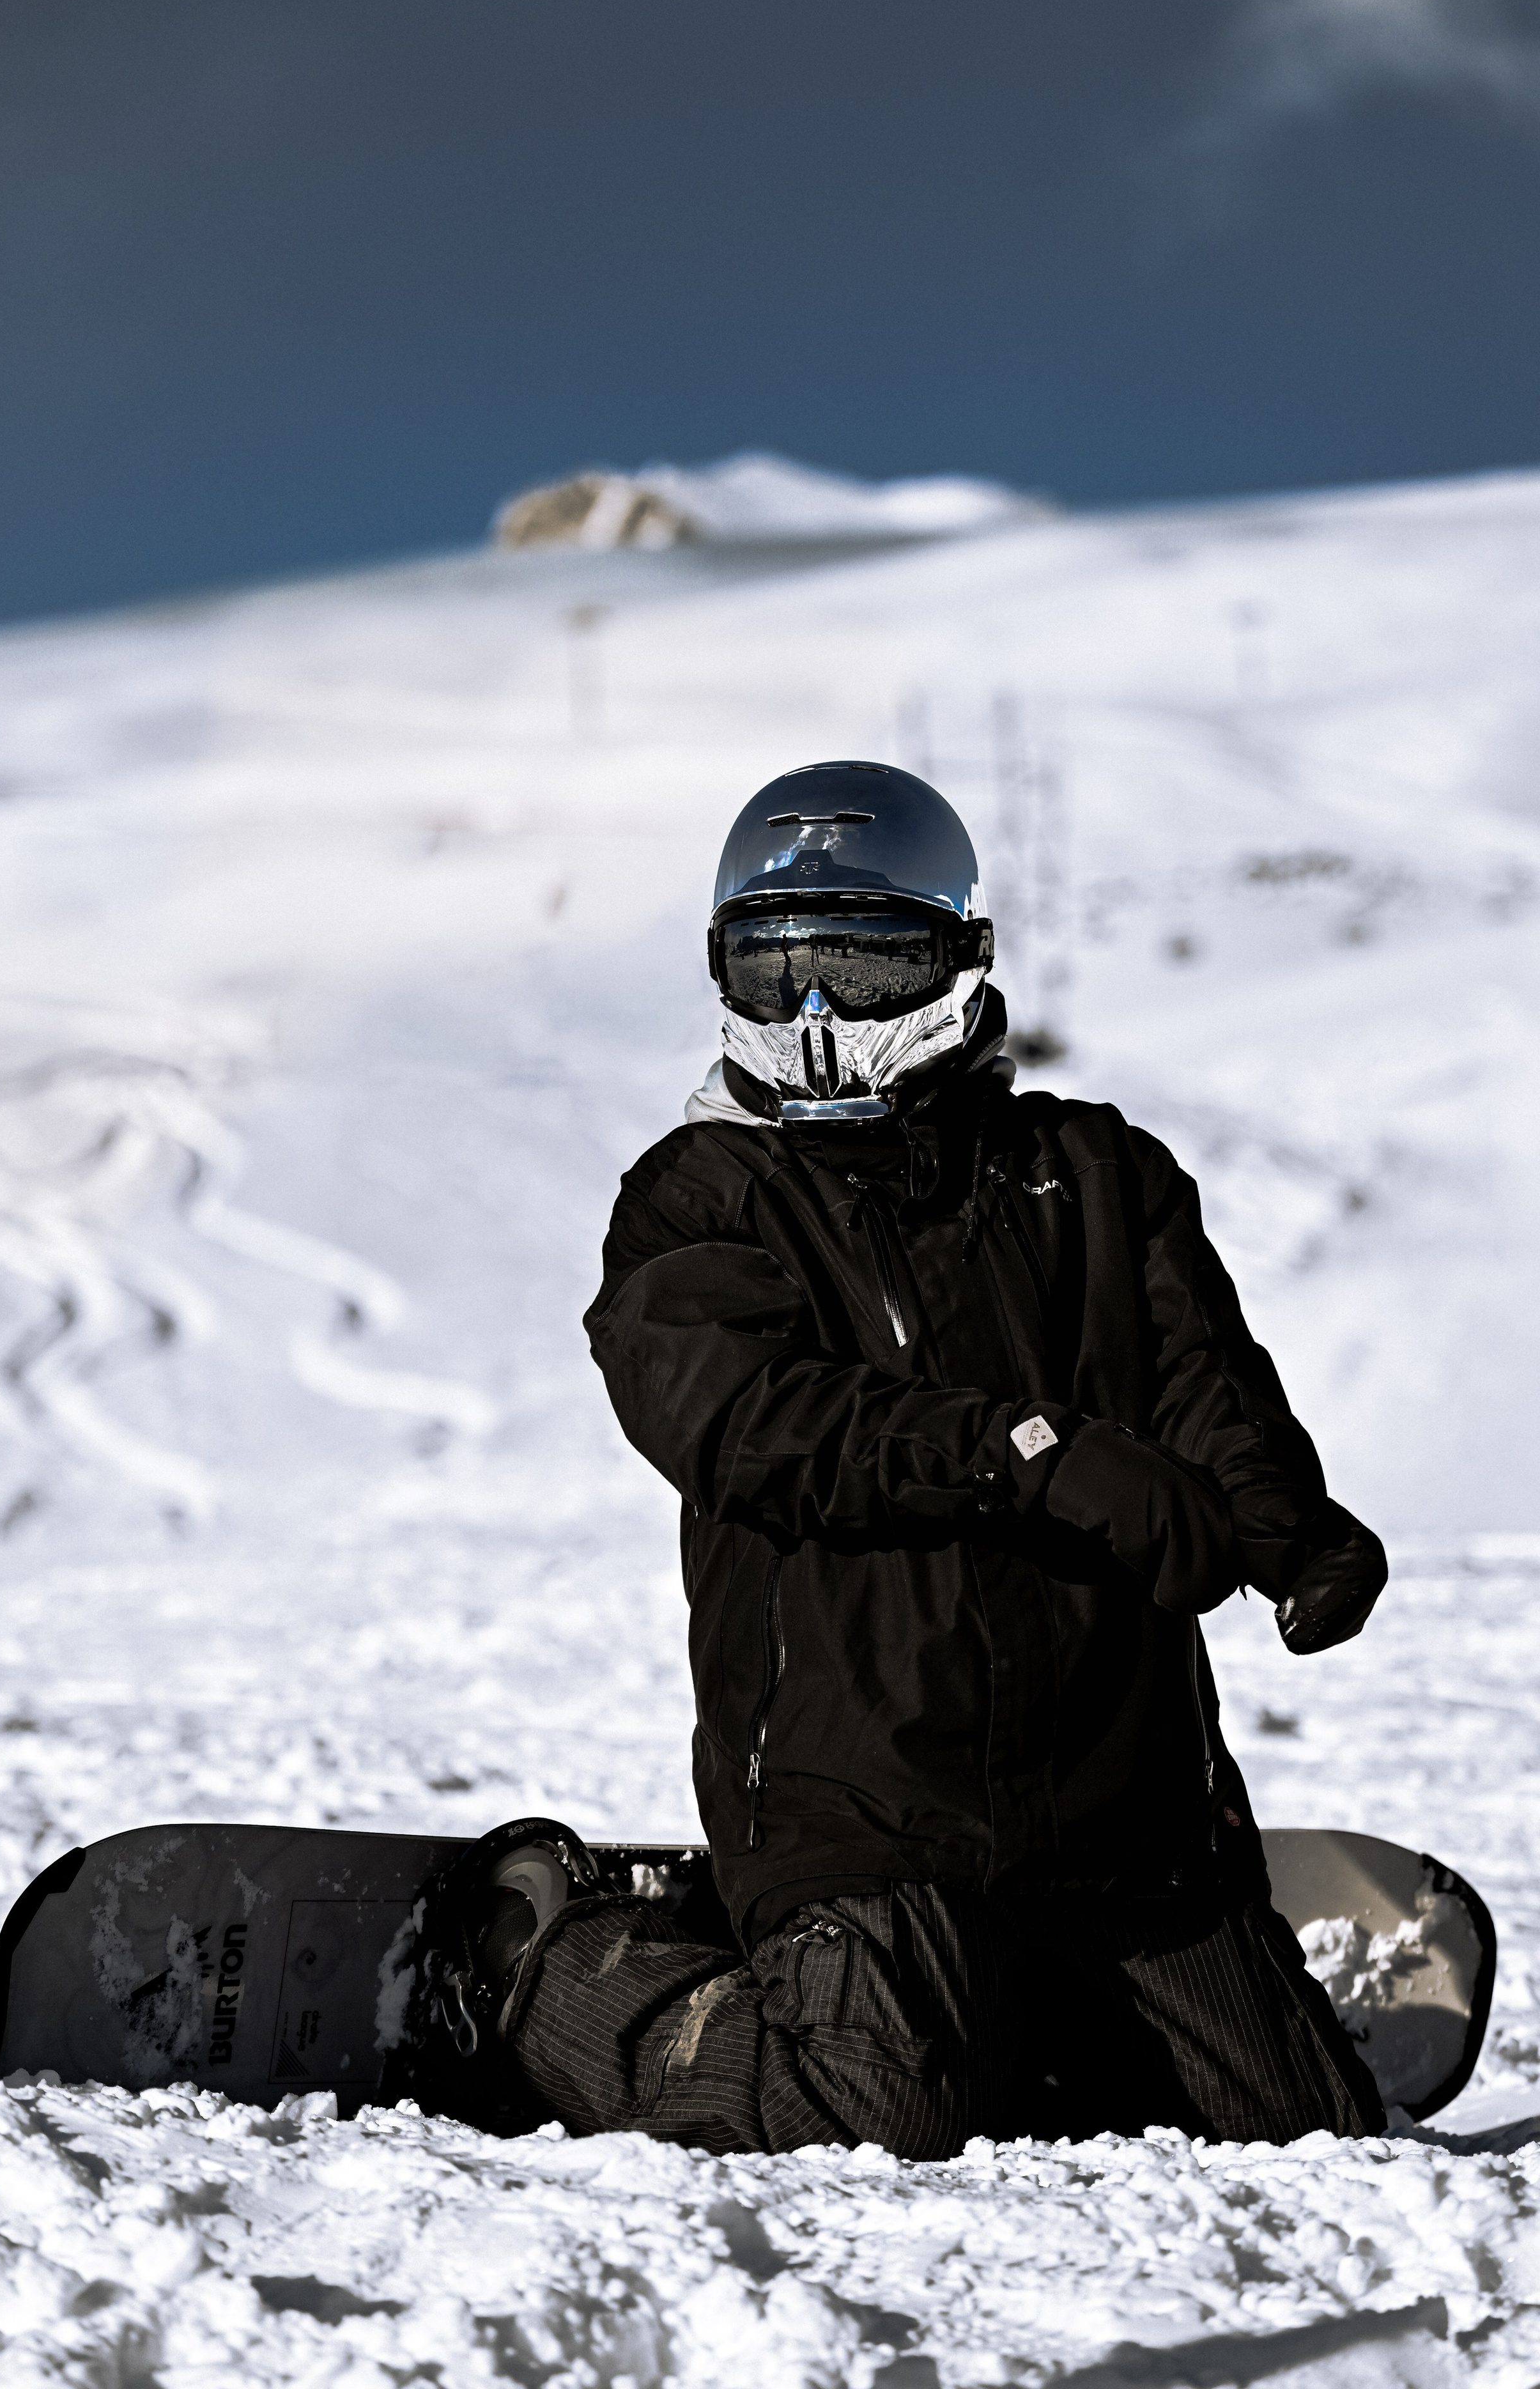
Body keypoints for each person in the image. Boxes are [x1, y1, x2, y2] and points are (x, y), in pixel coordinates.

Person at [405, 762, 1389, 2154]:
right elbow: (746, 1422)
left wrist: (1287, 1528)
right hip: (858, 1794)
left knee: (1303, 2141)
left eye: (859, 968)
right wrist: (1025, 1453)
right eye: (772, 969)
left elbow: (1200, 1388)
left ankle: (1004, 2016)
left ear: (953, 962)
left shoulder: (1100, 1178)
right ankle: (549, 1967)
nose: (813, 1019)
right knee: (880, 2110)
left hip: (1124, 1801)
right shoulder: (701, 1195)